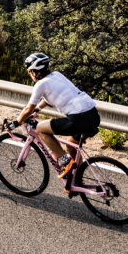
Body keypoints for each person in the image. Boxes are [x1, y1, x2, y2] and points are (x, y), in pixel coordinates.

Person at [12, 52, 100, 183]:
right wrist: (38, 109)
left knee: (41, 129)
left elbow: (28, 109)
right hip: (93, 115)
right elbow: (51, 98)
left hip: (78, 118)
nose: (29, 74)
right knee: (71, 146)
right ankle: (77, 179)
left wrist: (15, 123)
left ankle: (66, 162)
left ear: (34, 71)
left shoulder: (40, 84)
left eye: (29, 71)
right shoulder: (57, 75)